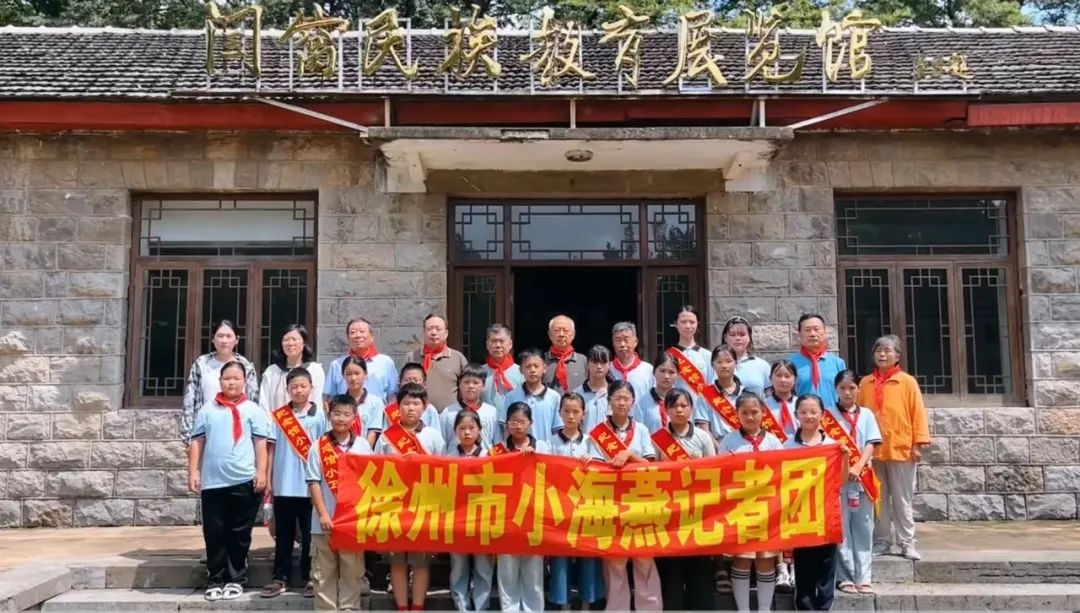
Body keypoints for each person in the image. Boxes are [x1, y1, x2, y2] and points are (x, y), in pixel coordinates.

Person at [187, 360, 269, 602]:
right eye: (227, 378)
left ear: (244, 382)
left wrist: (261, 471)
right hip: (214, 482)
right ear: (220, 381)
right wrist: (193, 471)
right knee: (214, 532)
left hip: (244, 479)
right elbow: (197, 442)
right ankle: (215, 579)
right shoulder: (207, 410)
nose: (232, 383)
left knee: (239, 533)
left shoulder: (253, 410)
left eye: (236, 378)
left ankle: (235, 579)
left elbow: (260, 443)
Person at [374, 382, 446, 611]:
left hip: (423, 505)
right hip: (394, 506)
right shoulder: (387, 438)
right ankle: (402, 606)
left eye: (416, 403)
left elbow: (443, 471)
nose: (411, 408)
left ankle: (417, 606)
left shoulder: (433, 436)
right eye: (406, 403)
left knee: (420, 560)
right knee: (397, 560)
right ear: (398, 407)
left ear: (425, 407)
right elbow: (376, 470)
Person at [589, 381, 661, 612]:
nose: (621, 403)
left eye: (626, 399)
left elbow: (650, 465)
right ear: (609, 401)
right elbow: (594, 468)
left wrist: (629, 455)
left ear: (633, 402)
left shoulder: (641, 430)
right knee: (615, 559)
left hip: (639, 500)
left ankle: (649, 608)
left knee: (644, 557)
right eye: (617, 398)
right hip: (610, 501)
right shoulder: (598, 432)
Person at [858, 335, 930, 561]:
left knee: (902, 499)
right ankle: (882, 540)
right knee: (878, 499)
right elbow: (858, 416)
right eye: (878, 350)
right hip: (873, 451)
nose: (882, 354)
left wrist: (918, 444)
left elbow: (918, 413)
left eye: (887, 351)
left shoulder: (907, 382)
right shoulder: (865, 383)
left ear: (897, 356)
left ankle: (907, 541)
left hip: (901, 449)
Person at [717, 392, 785, 613]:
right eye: (744, 412)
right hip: (740, 507)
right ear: (736, 414)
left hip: (768, 507)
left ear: (763, 413)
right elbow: (719, 473)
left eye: (754, 412)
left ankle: (764, 609)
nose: (750, 417)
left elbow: (784, 472)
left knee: (766, 558)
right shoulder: (729, 440)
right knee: (742, 558)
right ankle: (743, 609)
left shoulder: (773, 441)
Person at [263, 367, 326, 598]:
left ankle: (311, 577)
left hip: (311, 486)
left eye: (303, 386)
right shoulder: (279, 416)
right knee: (284, 535)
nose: (298, 390)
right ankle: (280, 577)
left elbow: (325, 449)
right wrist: (269, 478)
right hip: (284, 484)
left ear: (311, 388)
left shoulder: (320, 416)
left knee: (311, 536)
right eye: (294, 387)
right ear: (287, 389)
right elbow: (271, 449)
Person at [307, 395, 373, 611]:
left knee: (352, 572)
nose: (341, 419)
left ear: (354, 417)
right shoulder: (318, 446)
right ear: (329, 415)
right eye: (337, 414)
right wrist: (323, 514)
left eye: (346, 414)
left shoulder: (363, 446)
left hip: (352, 523)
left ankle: (349, 609)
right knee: (323, 573)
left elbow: (370, 482)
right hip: (324, 522)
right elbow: (313, 483)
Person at [651, 388, 715, 611]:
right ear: (666, 409)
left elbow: (714, 469)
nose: (679, 410)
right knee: (671, 569)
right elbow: (651, 472)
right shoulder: (658, 438)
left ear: (691, 409)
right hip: (669, 512)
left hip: (697, 511)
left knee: (700, 567)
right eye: (674, 406)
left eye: (683, 405)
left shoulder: (703, 437)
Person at [784, 393, 845, 612]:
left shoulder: (832, 445)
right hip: (800, 514)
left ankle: (824, 608)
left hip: (827, 513)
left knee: (827, 567)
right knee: (804, 567)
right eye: (803, 412)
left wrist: (845, 457)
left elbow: (841, 480)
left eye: (813, 412)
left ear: (823, 414)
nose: (808, 416)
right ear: (796, 414)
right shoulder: (788, 445)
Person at [548, 393, 604, 611]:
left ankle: (587, 603)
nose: (571, 416)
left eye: (576, 412)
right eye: (566, 411)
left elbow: (602, 472)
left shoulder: (591, 442)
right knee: (560, 556)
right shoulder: (550, 442)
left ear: (583, 414)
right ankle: (563, 604)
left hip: (585, 507)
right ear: (559, 413)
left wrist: (593, 462)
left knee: (587, 554)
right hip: (559, 506)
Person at [830, 370, 883, 595]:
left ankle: (864, 577)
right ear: (836, 389)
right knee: (842, 529)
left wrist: (859, 465)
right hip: (839, 480)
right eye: (842, 388)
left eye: (851, 388)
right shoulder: (828, 416)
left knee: (864, 528)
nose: (847, 392)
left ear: (858, 390)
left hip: (863, 478)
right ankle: (845, 576)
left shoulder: (867, 414)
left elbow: (871, 443)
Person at [496, 402, 551, 612]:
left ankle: (533, 609)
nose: (518, 426)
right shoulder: (498, 449)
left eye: (522, 422)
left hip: (533, 516)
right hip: (507, 517)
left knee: (533, 572)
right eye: (513, 422)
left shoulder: (542, 447)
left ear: (530, 423)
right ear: (507, 424)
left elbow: (553, 475)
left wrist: (533, 459)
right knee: (507, 571)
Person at [445, 410, 494, 612]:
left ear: (480, 430)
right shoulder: (448, 458)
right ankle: (461, 605)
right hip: (457, 520)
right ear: (455, 431)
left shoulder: (490, 456)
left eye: (472, 428)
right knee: (459, 566)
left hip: (483, 519)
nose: (467, 433)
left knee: (484, 566)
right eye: (462, 428)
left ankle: (482, 606)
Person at [181, 320, 259, 444]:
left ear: (237, 339)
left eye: (229, 336)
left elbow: (253, 401)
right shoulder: (202, 364)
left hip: (239, 433)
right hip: (206, 431)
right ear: (213, 339)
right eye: (220, 336)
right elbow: (190, 401)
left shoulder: (246, 367)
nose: (224, 340)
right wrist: (189, 438)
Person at [325, 317, 398, 404]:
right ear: (348, 338)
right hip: (346, 411)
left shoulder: (385, 362)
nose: (358, 336)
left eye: (362, 331)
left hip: (377, 411)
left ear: (372, 336)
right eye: (353, 332)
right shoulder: (337, 364)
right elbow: (330, 398)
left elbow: (392, 395)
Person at [404, 313, 469, 411]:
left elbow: (466, 388)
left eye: (438, 329)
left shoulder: (458, 358)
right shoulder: (411, 357)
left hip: (450, 415)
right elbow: (402, 388)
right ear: (423, 332)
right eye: (429, 329)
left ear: (446, 333)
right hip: (419, 415)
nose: (434, 333)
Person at [258, 324, 325, 415]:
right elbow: (264, 404)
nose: (290, 343)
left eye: (294, 339)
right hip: (276, 422)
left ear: (304, 343)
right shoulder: (271, 372)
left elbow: (317, 401)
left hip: (308, 422)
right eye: (286, 340)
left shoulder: (315, 370)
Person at [502, 349, 562, 445]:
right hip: (518, 450)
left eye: (536, 366)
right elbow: (505, 428)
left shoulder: (554, 397)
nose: (532, 370)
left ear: (544, 368)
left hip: (544, 450)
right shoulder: (511, 397)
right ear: (521, 370)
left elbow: (557, 429)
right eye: (528, 366)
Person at [789, 314, 846, 410]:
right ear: (799, 334)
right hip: (802, 417)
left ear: (825, 332)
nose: (812, 334)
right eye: (807, 330)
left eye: (816, 329)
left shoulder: (838, 363)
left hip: (832, 417)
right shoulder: (790, 364)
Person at [666, 305, 714, 407]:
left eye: (692, 322)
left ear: (697, 324)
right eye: (683, 322)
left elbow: (712, 385)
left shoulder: (707, 355)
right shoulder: (668, 356)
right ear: (676, 324)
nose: (688, 326)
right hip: (677, 408)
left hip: (702, 408)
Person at [694, 344, 744, 441]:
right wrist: (720, 447)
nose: (724, 366)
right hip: (716, 444)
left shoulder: (746, 393)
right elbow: (704, 430)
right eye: (719, 362)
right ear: (713, 365)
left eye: (728, 361)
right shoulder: (705, 395)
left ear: (736, 363)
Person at [441, 365, 498, 448]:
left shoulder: (491, 412)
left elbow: (497, 442)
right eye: (466, 382)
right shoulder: (448, 412)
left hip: (485, 455)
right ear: (459, 384)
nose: (470, 386)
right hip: (454, 456)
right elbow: (441, 443)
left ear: (483, 385)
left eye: (475, 382)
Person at [341, 355, 386, 448]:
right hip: (342, 452)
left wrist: (362, 452)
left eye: (357, 373)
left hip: (365, 452)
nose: (353, 378)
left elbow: (372, 434)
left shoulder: (376, 403)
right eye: (348, 374)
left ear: (365, 374)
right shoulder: (338, 402)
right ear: (343, 376)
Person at [383, 363, 442, 432]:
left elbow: (436, 435)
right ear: (400, 383)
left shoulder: (430, 410)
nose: (411, 383)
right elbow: (385, 435)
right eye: (407, 380)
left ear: (424, 384)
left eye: (416, 380)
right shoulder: (391, 410)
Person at [482, 323, 524, 416]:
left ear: (510, 344)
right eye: (494, 341)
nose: (498, 345)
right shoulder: (480, 372)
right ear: (487, 345)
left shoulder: (521, 372)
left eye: (502, 341)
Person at [722, 316, 771, 395]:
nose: (738, 338)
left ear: (749, 337)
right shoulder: (715, 365)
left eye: (742, 335)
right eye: (733, 335)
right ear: (725, 338)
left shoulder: (762, 366)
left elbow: (770, 397)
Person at [633, 352, 679, 435]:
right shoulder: (642, 402)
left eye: (671, 372)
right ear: (654, 372)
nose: (666, 376)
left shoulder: (682, 400)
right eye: (662, 371)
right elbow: (638, 433)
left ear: (678, 375)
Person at [573, 345, 614, 432]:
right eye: (595, 362)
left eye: (603, 362)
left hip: (610, 440)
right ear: (587, 364)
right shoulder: (577, 394)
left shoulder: (615, 393)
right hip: (585, 440)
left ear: (609, 365)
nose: (599, 366)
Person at [610, 322, 653, 401]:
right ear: (613, 343)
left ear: (635, 342)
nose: (622, 344)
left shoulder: (648, 370)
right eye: (618, 340)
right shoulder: (607, 370)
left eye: (626, 340)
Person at [545, 315, 588, 393]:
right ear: (550, 334)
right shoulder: (541, 360)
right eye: (557, 330)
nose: (561, 334)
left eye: (565, 330)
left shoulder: (583, 361)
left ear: (573, 334)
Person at [765, 360, 799, 440]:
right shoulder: (763, 406)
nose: (783, 380)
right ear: (770, 378)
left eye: (787, 376)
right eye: (778, 375)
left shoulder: (801, 404)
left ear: (795, 379)